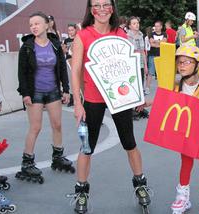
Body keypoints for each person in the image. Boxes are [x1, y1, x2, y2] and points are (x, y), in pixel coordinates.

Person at [69, 1, 151, 213]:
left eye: (106, 4)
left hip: (119, 99)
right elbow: (75, 70)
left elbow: (128, 66)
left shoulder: (120, 34)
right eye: (97, 5)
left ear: (112, 8)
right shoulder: (83, 36)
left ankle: (140, 185)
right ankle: (81, 191)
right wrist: (78, 103)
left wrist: (138, 95)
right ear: (91, 10)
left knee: (129, 142)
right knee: (87, 147)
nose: (102, 9)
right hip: (93, 100)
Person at [138, 45, 199, 214]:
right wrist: (148, 102)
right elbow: (167, 99)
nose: (182, 65)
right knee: (185, 163)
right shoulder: (177, 85)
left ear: (197, 65)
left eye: (187, 62)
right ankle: (182, 197)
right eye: (179, 62)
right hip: (185, 132)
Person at [16, 11, 74, 184]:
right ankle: (27, 163)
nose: (33, 27)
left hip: (54, 91)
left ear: (47, 24)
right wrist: (25, 94)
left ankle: (57, 156)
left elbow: (63, 68)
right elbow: (22, 73)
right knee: (35, 127)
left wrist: (66, 89)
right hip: (35, 93)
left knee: (57, 125)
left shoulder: (55, 44)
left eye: (37, 23)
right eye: (31, 24)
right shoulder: (27, 47)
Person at [126, 16, 149, 120]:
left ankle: (139, 108)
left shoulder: (141, 35)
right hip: (131, 65)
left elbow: (143, 51)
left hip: (140, 64)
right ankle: (130, 109)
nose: (137, 25)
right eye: (134, 23)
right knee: (132, 87)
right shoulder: (127, 36)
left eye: (137, 23)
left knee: (140, 87)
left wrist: (145, 65)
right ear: (130, 26)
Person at [145, 20, 167, 95]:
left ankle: (162, 88)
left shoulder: (164, 34)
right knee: (151, 72)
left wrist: (156, 42)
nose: (156, 27)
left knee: (161, 73)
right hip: (152, 55)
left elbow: (164, 42)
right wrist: (160, 43)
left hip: (161, 55)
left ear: (161, 26)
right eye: (155, 26)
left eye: (158, 26)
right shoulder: (151, 34)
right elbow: (151, 44)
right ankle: (147, 88)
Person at [62, 23, 78, 107]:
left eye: (72, 30)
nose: (70, 32)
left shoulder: (78, 39)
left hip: (77, 61)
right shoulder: (66, 40)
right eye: (69, 30)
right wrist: (64, 50)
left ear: (75, 30)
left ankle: (79, 97)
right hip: (68, 61)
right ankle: (72, 98)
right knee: (71, 80)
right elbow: (64, 51)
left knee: (77, 79)